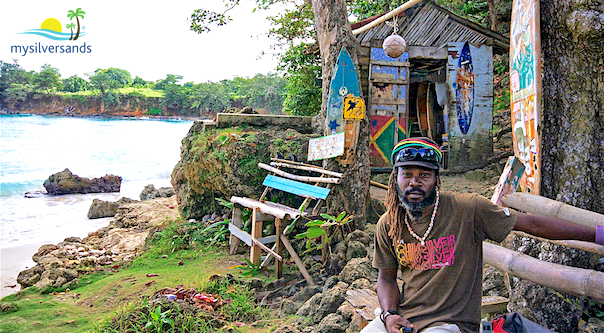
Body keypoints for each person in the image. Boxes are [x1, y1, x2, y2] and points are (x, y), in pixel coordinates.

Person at [360, 137, 603, 333]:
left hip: (450, 324)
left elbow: (532, 224)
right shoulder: (389, 224)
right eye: (407, 175)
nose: (415, 182)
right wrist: (390, 315)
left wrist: (598, 234)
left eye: (424, 175)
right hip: (404, 318)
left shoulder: (468, 209)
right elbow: (387, 278)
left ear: (436, 179)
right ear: (395, 179)